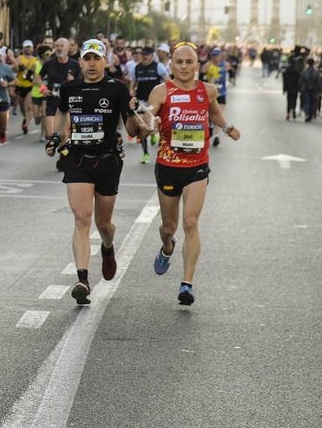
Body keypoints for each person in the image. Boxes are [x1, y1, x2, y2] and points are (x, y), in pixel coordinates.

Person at [45, 39, 151, 306]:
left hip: (108, 161)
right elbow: (61, 112)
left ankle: (107, 246)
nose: (91, 64)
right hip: (78, 159)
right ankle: (82, 280)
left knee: (103, 224)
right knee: (82, 218)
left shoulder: (117, 89)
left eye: (96, 59)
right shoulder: (71, 88)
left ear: (105, 61)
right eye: (87, 59)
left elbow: (131, 130)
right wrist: (56, 137)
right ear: (80, 61)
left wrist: (141, 125)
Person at [144, 41, 240, 306]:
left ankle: (187, 284)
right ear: (171, 65)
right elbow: (149, 117)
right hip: (168, 166)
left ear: (197, 66)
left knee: (190, 222)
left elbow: (217, 114)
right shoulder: (161, 91)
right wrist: (149, 123)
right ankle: (167, 247)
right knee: (169, 227)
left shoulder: (207, 91)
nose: (184, 67)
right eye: (179, 62)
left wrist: (228, 127)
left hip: (196, 166)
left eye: (189, 62)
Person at [40, 37, 82, 142]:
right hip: (52, 101)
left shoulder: (75, 65)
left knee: (64, 135)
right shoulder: (49, 64)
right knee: (50, 134)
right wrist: (43, 88)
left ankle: (63, 156)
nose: (59, 48)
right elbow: (37, 78)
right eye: (57, 46)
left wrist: (73, 81)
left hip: (68, 103)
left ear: (68, 49)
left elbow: (82, 83)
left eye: (62, 46)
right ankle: (61, 150)